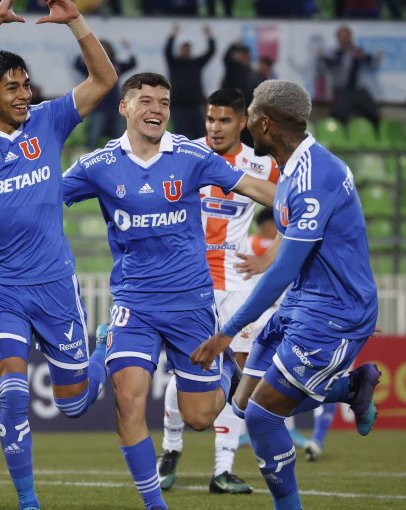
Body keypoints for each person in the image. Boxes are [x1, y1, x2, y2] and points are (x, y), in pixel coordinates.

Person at [61, 73, 275, 510]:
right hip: (134, 303)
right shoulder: (98, 164)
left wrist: (312, 203)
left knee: (199, 418)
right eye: (146, 100)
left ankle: (230, 373)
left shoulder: (192, 156)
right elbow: (42, 198)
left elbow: (254, 187)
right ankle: (155, 505)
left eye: (164, 101)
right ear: (124, 108)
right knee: (128, 403)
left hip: (191, 304)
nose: (156, 108)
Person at [0, 1, 117, 507]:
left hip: (56, 286)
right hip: (1, 286)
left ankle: (101, 348)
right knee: (13, 395)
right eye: (13, 88)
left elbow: (104, 81)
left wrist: (76, 24)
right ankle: (28, 502)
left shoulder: (50, 120)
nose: (25, 95)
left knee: (76, 406)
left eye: (26, 85)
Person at [190, 79, 382, 510]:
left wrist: (229, 331)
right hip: (305, 301)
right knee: (242, 403)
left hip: (333, 312)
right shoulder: (292, 167)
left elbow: (283, 270)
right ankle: (351, 388)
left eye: (248, 121)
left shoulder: (316, 175)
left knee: (261, 416)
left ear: (262, 123)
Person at [156, 88, 279, 496]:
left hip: (239, 285)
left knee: (242, 375)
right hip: (190, 283)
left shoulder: (260, 165)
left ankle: (222, 470)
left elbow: (299, 213)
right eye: (210, 119)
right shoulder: (184, 153)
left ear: (242, 122)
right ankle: (171, 448)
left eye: (224, 120)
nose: (215, 127)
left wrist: (269, 258)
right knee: (188, 368)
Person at [74, 39, 137, 146]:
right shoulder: (92, 65)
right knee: (93, 137)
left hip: (115, 107)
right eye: (100, 48)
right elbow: (77, 64)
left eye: (105, 48)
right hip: (98, 107)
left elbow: (132, 63)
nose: (103, 51)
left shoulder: (116, 65)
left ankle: (122, 159)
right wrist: (84, 49)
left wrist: (128, 49)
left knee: (122, 138)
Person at [317, 25, 381, 130]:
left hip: (358, 89)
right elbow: (324, 68)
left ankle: (375, 136)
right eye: (342, 37)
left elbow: (371, 64)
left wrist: (377, 58)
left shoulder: (358, 52)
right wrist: (320, 58)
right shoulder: (335, 53)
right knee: (339, 114)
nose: (345, 40)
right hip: (342, 90)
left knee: (373, 112)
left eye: (346, 37)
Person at [164, 23, 215, 140]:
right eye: (183, 47)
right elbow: (167, 51)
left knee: (200, 136)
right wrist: (173, 35)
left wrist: (209, 36)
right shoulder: (173, 62)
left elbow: (211, 51)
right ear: (180, 48)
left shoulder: (196, 63)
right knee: (182, 138)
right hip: (178, 107)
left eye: (188, 47)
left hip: (195, 106)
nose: (186, 49)